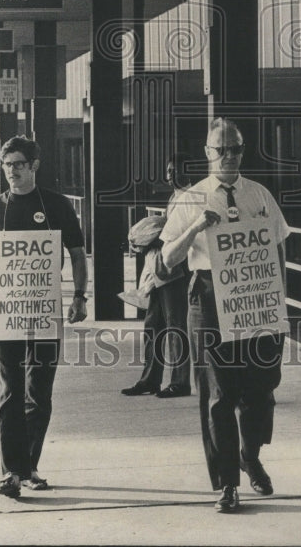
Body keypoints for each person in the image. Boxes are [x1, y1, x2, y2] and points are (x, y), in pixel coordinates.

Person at [160, 118, 290, 514]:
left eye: (236, 149)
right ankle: (227, 484)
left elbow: (278, 248)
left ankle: (249, 455)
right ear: (207, 153)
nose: (229, 156)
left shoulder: (259, 195)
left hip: (256, 298)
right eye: (222, 150)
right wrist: (198, 225)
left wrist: (277, 300)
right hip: (209, 298)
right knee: (219, 395)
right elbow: (167, 260)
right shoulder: (190, 198)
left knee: (262, 391)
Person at [0, 136, 88, 499]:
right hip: (8, 316)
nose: (12, 171)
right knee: (11, 393)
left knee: (39, 394)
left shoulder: (56, 206)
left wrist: (80, 296)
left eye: (19, 164)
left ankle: (28, 466)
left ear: (34, 165)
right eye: (7, 165)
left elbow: (77, 252)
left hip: (44, 313)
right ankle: (11, 472)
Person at [121, 152, 192, 399]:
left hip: (178, 273)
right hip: (160, 272)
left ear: (188, 172)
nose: (171, 175)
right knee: (153, 326)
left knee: (176, 327)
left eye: (176, 170)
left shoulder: (192, 198)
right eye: (169, 170)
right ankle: (150, 379)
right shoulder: (175, 197)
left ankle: (180, 382)